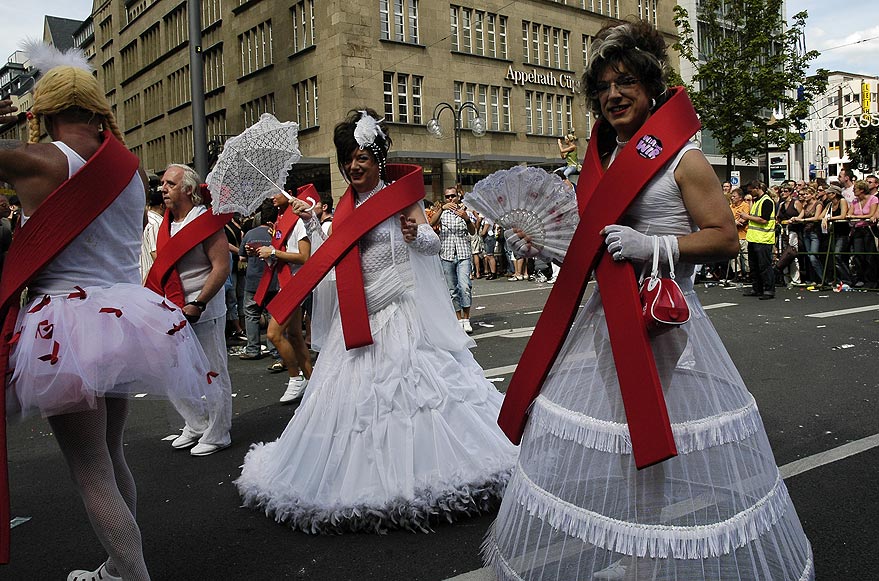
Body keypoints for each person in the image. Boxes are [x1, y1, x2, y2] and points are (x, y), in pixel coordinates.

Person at [483, 21, 814, 580]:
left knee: (648, 437)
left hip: (661, 317)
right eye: (605, 86)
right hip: (606, 317)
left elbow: (725, 236)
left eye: (626, 82)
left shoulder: (684, 159)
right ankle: (639, 551)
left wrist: (655, 244)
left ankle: (652, 555)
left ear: (650, 88)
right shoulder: (605, 161)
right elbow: (594, 250)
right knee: (623, 440)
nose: (614, 95)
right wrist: (543, 248)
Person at [236, 108, 516, 533]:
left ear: (378, 158)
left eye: (361, 157)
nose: (354, 166)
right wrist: (314, 221)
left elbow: (431, 242)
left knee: (417, 395)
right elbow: (336, 254)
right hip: (360, 312)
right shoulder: (346, 207)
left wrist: (414, 234)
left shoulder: (400, 196)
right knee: (354, 405)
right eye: (348, 158)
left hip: (400, 311)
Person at [0, 57, 216, 579]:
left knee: (90, 468)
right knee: (111, 455)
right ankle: (120, 569)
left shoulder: (41, 161)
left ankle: (130, 572)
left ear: (43, 112)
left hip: (63, 324)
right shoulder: (127, 169)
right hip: (123, 316)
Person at [150, 163, 233, 457]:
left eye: (170, 184)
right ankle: (196, 423)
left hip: (203, 309)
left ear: (188, 189)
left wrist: (199, 302)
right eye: (163, 184)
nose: (163, 188)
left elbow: (221, 267)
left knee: (212, 371)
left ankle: (218, 431)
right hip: (171, 309)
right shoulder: (166, 223)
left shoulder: (205, 221)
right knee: (172, 372)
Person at [252, 187, 312, 403]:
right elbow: (282, 255)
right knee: (295, 335)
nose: (270, 197)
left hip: (295, 284)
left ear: (287, 192)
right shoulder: (281, 220)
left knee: (273, 334)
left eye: (273, 192)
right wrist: (265, 251)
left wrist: (274, 252)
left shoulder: (297, 219)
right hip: (286, 283)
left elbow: (305, 257)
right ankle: (312, 382)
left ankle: (295, 378)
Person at [430, 185, 477, 333]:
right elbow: (431, 223)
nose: (450, 199)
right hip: (447, 253)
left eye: (453, 196)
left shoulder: (465, 211)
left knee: (465, 286)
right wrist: (442, 208)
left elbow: (473, 231)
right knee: (452, 289)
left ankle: (466, 318)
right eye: (448, 196)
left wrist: (467, 219)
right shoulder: (442, 212)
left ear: (458, 197)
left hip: (463, 253)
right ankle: (458, 319)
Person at [741, 180, 777, 299]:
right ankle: (757, 288)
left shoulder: (766, 201)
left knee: (764, 266)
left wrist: (747, 217)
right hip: (754, 238)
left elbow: (764, 220)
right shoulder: (757, 201)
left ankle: (768, 290)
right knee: (754, 266)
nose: (750, 193)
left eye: (751, 190)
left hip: (763, 239)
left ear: (757, 188)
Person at [140, 188, 164, 283]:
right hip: (150, 277)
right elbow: (155, 253)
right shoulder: (157, 222)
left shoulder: (145, 217)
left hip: (140, 272)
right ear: (162, 206)